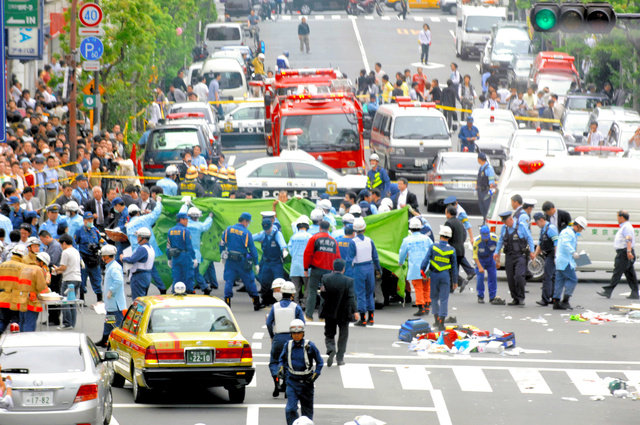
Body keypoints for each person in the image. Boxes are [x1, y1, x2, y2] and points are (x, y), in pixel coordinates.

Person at [278, 319, 323, 425]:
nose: (296, 335)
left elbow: (320, 362)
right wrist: (280, 368)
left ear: (303, 333)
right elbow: (281, 359)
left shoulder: (310, 346)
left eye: (299, 333)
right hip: (292, 382)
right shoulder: (287, 346)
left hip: (307, 383)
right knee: (290, 409)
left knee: (307, 414)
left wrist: (315, 375)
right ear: (291, 334)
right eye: (294, 333)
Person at [266, 281, 305, 397]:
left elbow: (269, 323)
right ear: (292, 295)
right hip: (291, 338)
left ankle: (276, 380)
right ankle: (287, 386)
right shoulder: (296, 307)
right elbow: (302, 324)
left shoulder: (275, 307)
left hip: (278, 338)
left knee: (274, 361)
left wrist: (272, 336)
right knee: (289, 363)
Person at [220, 212, 261, 310]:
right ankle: (256, 303)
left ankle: (227, 303)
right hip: (242, 261)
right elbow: (252, 249)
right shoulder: (246, 233)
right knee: (249, 281)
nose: (248, 224)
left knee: (229, 281)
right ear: (245, 221)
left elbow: (222, 243)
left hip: (230, 260)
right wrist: (256, 263)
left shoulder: (228, 229)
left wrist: (222, 255)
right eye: (249, 222)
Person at [320, 259, 356, 367]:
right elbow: (351, 298)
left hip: (329, 310)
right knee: (343, 335)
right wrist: (355, 311)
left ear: (333, 267)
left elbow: (322, 294)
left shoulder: (325, 278)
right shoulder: (349, 281)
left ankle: (331, 349)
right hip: (344, 311)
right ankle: (340, 358)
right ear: (343, 269)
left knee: (329, 333)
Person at [494, 211, 535, 306]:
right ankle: (515, 298)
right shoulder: (505, 228)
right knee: (510, 279)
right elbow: (500, 241)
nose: (505, 224)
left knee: (519, 276)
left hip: (520, 255)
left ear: (511, 219)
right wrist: (496, 252)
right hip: (509, 256)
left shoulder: (521, 226)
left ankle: (521, 297)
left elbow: (529, 238)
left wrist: (532, 252)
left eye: (505, 221)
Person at [420, 225, 458, 331]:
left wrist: (422, 272)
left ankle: (436, 320)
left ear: (440, 235)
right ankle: (441, 322)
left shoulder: (433, 247)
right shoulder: (452, 250)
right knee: (444, 299)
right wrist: (455, 281)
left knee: (434, 298)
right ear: (449, 237)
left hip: (434, 275)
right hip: (445, 276)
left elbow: (425, 261)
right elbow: (454, 267)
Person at [303, 220, 340, 321]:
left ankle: (309, 316)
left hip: (316, 270)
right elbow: (337, 257)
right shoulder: (333, 241)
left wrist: (306, 268)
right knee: (325, 293)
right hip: (328, 271)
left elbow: (308, 254)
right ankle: (322, 316)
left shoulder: (314, 238)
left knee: (312, 291)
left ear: (319, 227)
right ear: (328, 229)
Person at [597, 210, 639, 300]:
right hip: (625, 252)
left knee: (617, 272)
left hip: (624, 253)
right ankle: (635, 292)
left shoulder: (626, 227)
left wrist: (628, 251)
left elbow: (628, 239)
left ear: (621, 217)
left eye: (618, 217)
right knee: (630, 273)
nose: (617, 219)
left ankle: (608, 291)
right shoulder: (625, 226)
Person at [399, 217, 434, 316]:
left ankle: (421, 307)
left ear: (410, 228)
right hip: (426, 267)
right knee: (427, 286)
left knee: (418, 287)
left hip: (415, 268)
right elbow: (433, 249)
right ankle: (427, 306)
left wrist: (400, 262)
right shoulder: (426, 239)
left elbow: (402, 253)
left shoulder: (407, 240)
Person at [554, 216, 588, 310]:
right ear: (577, 226)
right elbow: (566, 244)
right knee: (573, 279)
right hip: (565, 261)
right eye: (581, 228)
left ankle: (556, 302)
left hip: (562, 260)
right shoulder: (568, 232)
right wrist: (573, 252)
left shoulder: (569, 232)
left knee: (560, 281)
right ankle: (565, 301)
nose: (581, 230)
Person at [352, 217, 381, 326]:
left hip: (359, 268)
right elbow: (375, 257)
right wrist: (378, 269)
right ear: (364, 229)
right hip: (370, 267)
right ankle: (371, 318)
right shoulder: (370, 240)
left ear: (354, 230)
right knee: (369, 293)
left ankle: (363, 318)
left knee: (360, 294)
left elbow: (349, 259)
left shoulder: (353, 242)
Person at [96, 245, 126, 347]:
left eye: (103, 256)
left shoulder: (114, 267)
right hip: (111, 303)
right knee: (109, 322)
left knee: (117, 324)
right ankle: (104, 339)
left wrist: (111, 291)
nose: (102, 258)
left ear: (107, 256)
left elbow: (118, 281)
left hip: (115, 303)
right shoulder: (111, 266)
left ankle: (120, 344)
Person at [254, 217, 288, 307]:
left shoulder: (277, 234)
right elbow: (251, 237)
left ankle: (280, 301)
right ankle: (265, 299)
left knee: (279, 281)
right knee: (264, 280)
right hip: (267, 262)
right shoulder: (262, 234)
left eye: (268, 228)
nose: (267, 231)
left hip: (276, 262)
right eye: (265, 229)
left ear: (271, 225)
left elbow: (282, 244)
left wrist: (284, 250)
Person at [182, 206, 215, 295]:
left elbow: (181, 214)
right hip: (196, 253)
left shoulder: (185, 225)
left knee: (188, 272)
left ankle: (190, 288)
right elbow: (206, 225)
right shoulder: (199, 226)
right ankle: (204, 287)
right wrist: (210, 217)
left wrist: (185, 205)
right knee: (196, 272)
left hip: (185, 253)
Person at [75, 212, 104, 303]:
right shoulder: (79, 231)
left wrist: (106, 247)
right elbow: (75, 244)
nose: (90, 221)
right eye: (88, 220)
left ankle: (99, 299)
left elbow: (101, 240)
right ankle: (82, 298)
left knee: (97, 280)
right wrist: (79, 258)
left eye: (91, 219)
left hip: (94, 258)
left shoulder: (95, 230)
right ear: (84, 220)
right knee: (82, 281)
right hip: (84, 258)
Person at [54, 234, 82, 330]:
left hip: (68, 279)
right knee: (72, 302)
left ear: (64, 243)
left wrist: (56, 270)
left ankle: (67, 323)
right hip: (77, 278)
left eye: (61, 245)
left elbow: (63, 267)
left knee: (65, 301)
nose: (61, 247)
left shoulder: (66, 252)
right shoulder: (76, 251)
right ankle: (72, 323)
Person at [533, 212, 559, 306]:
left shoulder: (550, 228)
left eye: (536, 222)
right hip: (548, 254)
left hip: (552, 254)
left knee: (547, 276)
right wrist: (534, 256)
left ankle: (545, 299)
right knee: (552, 276)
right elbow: (540, 243)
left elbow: (556, 243)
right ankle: (553, 297)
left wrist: (556, 256)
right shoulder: (543, 229)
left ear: (541, 220)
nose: (537, 224)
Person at [122, 228, 155, 300]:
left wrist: (123, 258)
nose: (137, 238)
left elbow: (132, 260)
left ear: (143, 238)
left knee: (138, 301)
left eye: (138, 237)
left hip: (139, 276)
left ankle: (139, 311)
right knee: (143, 300)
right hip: (146, 275)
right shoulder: (150, 248)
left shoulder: (142, 249)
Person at [166, 212, 196, 292]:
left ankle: (175, 293)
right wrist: (194, 258)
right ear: (181, 220)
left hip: (175, 257)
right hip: (185, 256)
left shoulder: (170, 231)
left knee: (176, 277)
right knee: (188, 276)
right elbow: (189, 246)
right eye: (186, 219)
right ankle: (189, 293)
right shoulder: (185, 231)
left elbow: (168, 247)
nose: (187, 221)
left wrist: (169, 259)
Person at [473, 225, 503, 304]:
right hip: (480, 259)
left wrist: (498, 261)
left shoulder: (494, 238)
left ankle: (492, 297)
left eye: (487, 236)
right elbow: (474, 255)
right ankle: (480, 296)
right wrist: (479, 267)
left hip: (490, 258)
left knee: (493, 277)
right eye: (484, 236)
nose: (485, 238)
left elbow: (499, 249)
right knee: (480, 277)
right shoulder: (477, 241)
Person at [288, 216, 313, 304]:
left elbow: (290, 250)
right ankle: (305, 304)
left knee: (295, 288)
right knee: (307, 288)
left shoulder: (293, 237)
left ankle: (295, 303)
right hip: (306, 267)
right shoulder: (310, 237)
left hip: (295, 267)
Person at [476, 152, 496, 224]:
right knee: (482, 207)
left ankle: (486, 222)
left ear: (479, 159)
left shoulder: (489, 168)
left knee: (486, 207)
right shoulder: (481, 168)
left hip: (486, 191)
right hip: (480, 191)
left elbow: (491, 182)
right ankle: (484, 220)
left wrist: (490, 193)